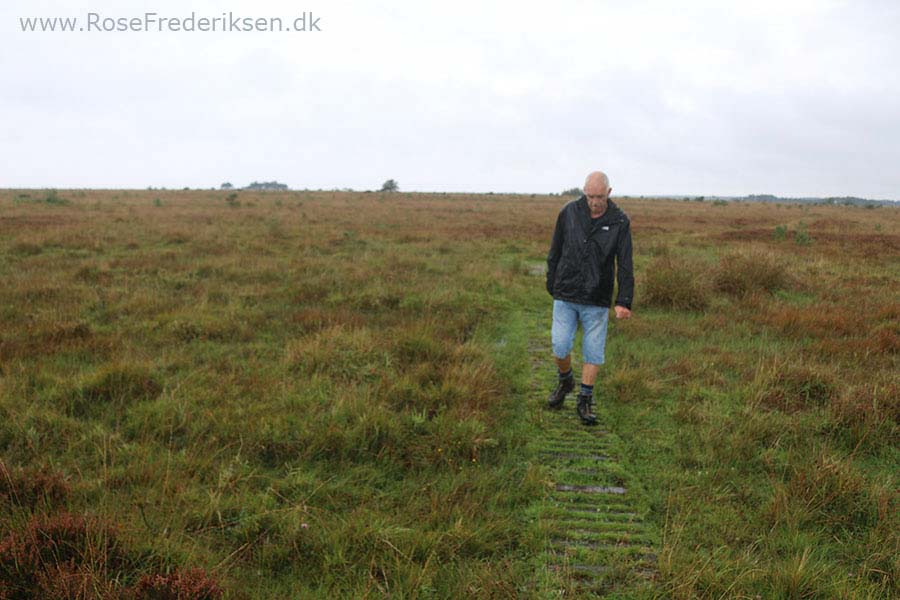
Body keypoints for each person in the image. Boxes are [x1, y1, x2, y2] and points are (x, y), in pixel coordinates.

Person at [545, 171, 634, 425]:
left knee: (593, 350)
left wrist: (623, 301)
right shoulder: (568, 212)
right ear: (584, 192)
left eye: (599, 196)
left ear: (609, 192)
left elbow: (625, 263)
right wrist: (553, 284)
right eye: (590, 196)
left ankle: (585, 399)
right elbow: (555, 250)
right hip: (565, 293)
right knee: (560, 345)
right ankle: (565, 381)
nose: (594, 201)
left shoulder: (619, 221)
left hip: (597, 296)